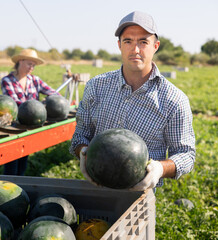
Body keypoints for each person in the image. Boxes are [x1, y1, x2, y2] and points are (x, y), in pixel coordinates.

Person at [70, 11, 196, 191]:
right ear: (119, 45)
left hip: (140, 194)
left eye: (143, 42)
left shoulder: (174, 100)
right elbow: (80, 135)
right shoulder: (96, 87)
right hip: (95, 188)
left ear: (156, 46)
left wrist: (159, 169)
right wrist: (83, 153)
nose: (135, 49)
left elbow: (185, 155)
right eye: (128, 41)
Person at [0, 48, 60, 175]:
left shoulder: (35, 80)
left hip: (30, 126)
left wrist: (52, 100)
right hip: (13, 127)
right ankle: (8, 184)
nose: (31, 67)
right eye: (29, 64)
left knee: (23, 160)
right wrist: (39, 105)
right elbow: (14, 103)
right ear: (20, 61)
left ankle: (19, 184)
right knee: (12, 163)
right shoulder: (7, 80)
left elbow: (54, 93)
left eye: (33, 65)